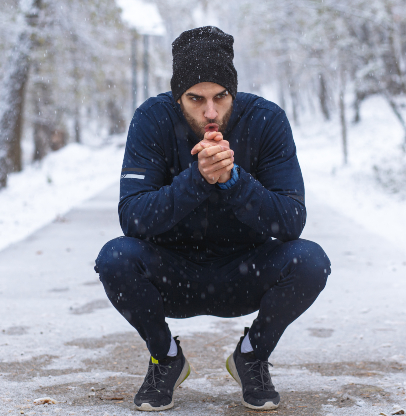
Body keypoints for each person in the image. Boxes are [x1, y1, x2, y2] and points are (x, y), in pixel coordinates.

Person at [94, 26, 331, 412]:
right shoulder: (151, 119)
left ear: (232, 92)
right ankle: (165, 357)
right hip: (173, 274)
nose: (210, 112)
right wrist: (197, 179)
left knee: (311, 261)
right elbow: (132, 218)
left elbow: (291, 220)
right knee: (115, 258)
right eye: (195, 99)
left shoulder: (266, 120)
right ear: (177, 97)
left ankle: (252, 356)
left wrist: (234, 182)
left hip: (244, 273)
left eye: (220, 97)